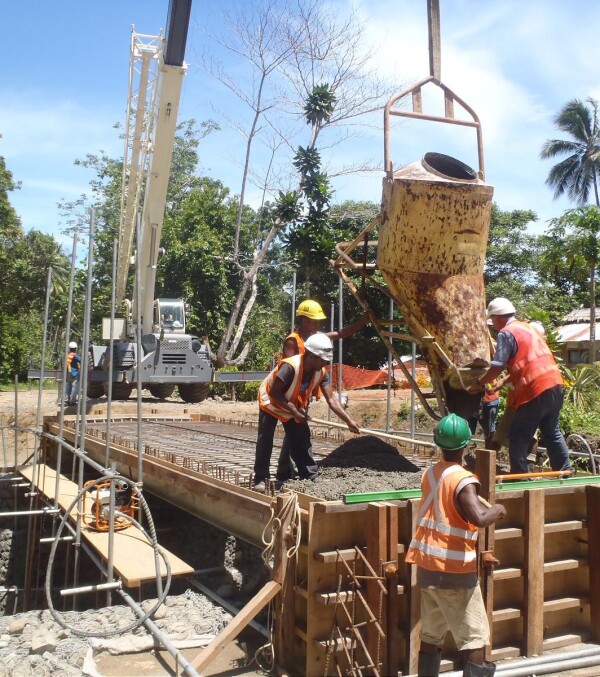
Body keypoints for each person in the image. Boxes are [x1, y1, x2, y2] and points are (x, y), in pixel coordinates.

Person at [405, 413, 506, 677]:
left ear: (439, 443)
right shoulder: (463, 480)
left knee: (431, 633)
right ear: (466, 444)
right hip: (454, 571)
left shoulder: (430, 474)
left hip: (428, 568)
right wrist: (497, 509)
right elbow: (479, 518)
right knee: (474, 638)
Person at [469, 298, 571, 474]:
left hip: (535, 390)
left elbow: (497, 366)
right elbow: (527, 363)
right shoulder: (528, 328)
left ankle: (520, 478)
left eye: (492, 320)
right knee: (551, 432)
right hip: (555, 385)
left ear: (498, 317)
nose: (493, 325)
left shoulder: (506, 333)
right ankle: (565, 472)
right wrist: (502, 382)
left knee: (518, 435)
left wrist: (479, 383)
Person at [275, 299, 369, 485]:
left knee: (294, 432)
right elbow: (291, 372)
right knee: (296, 432)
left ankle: (283, 471)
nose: (318, 325)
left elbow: (341, 333)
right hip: (286, 397)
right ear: (304, 320)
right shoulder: (293, 342)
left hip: (302, 396)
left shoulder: (316, 339)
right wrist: (293, 406)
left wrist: (363, 321)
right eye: (315, 321)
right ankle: (293, 473)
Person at [252, 333, 360, 492]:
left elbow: (331, 399)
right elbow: (275, 392)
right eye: (322, 359)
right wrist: (295, 411)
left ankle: (309, 474)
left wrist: (348, 421)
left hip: (291, 405)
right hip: (271, 402)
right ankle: (260, 478)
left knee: (301, 437)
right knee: (265, 440)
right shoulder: (290, 366)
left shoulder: (321, 372)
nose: (325, 363)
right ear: (311, 355)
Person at [65, 341, 81, 406]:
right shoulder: (75, 355)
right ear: (75, 348)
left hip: (68, 372)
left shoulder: (68, 355)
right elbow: (81, 360)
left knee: (68, 386)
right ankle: (73, 401)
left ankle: (66, 400)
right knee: (75, 387)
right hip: (74, 373)